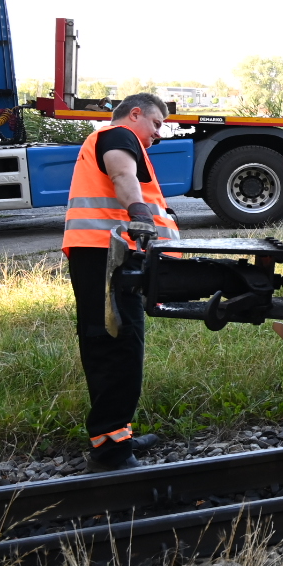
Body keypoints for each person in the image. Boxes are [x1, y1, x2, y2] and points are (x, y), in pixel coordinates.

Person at [62, 93, 182, 470]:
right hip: (104, 254)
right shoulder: (117, 135)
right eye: (156, 124)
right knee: (116, 346)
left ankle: (116, 435)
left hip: (105, 254)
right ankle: (111, 450)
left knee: (118, 343)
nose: (158, 134)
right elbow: (121, 173)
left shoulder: (115, 139)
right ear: (135, 114)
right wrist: (139, 213)